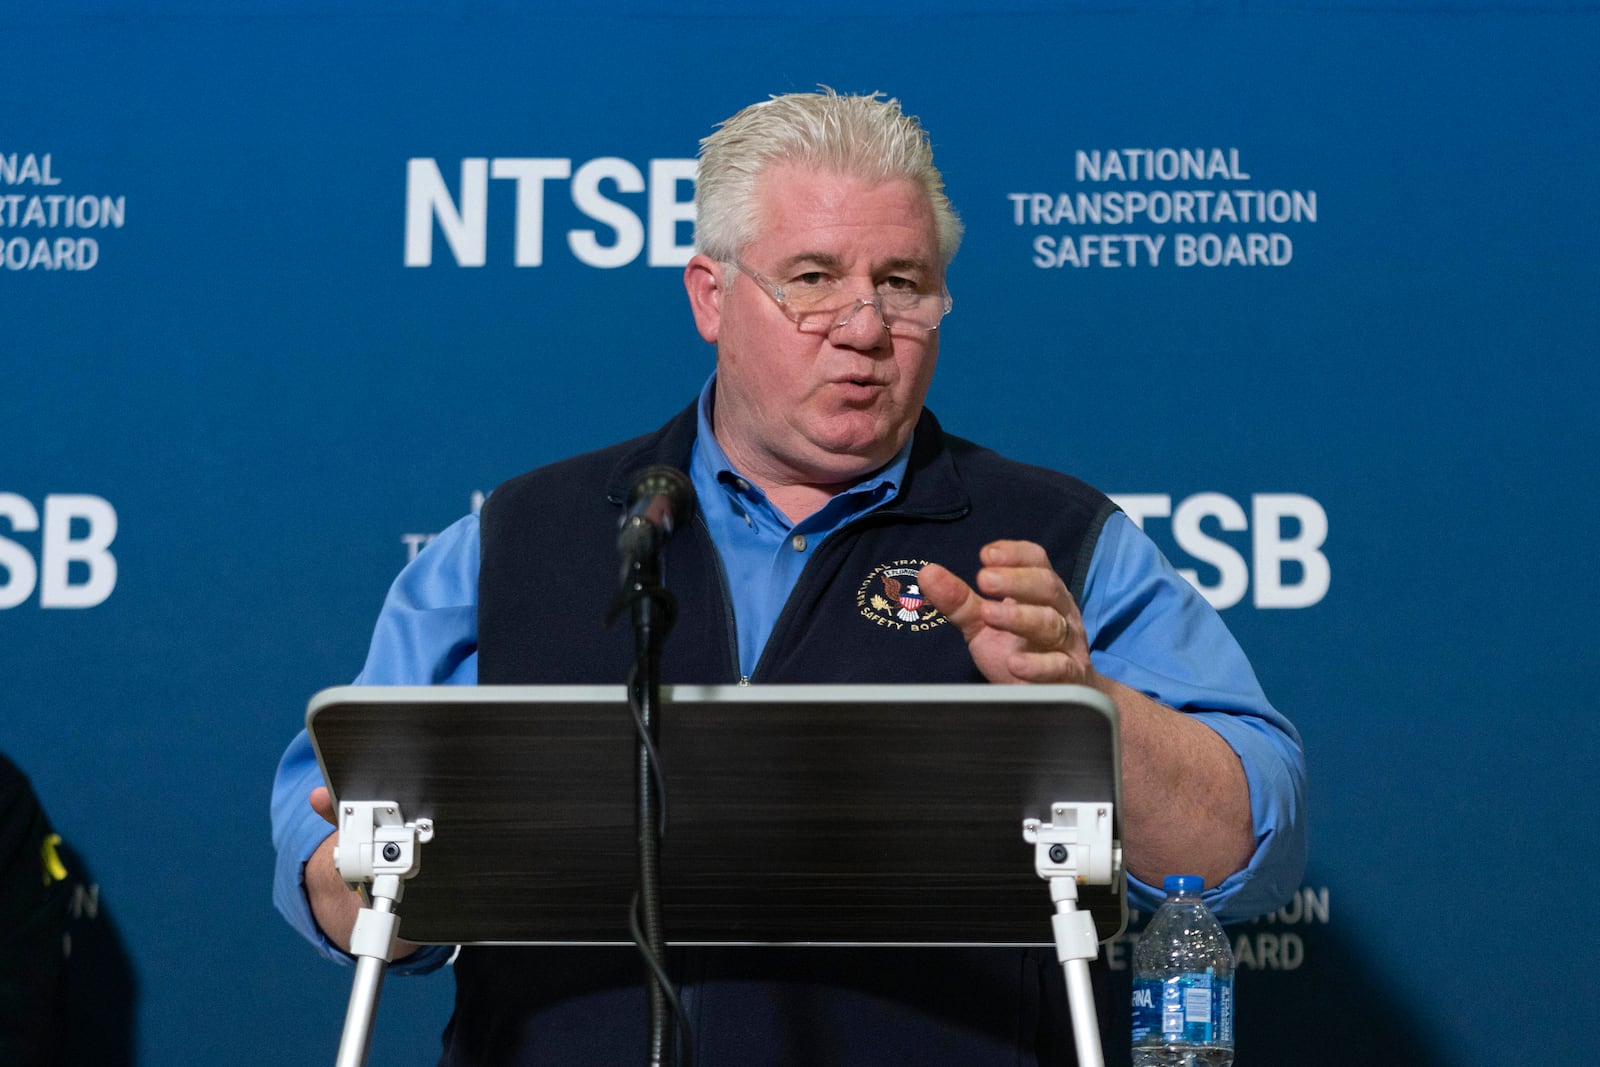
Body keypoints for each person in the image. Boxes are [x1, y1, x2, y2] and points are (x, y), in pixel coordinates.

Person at [272, 88, 1305, 1065]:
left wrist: (1089, 704)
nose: (863, 327)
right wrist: (360, 863)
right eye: (812, 279)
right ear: (711, 296)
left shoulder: (1059, 543)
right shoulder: (520, 537)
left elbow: (1241, 847)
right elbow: (332, 869)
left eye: (900, 284)